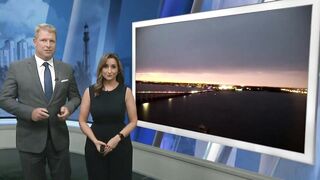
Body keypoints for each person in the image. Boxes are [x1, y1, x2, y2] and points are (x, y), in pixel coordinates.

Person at [0, 23, 81, 180]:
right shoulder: (17, 68)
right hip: (30, 140)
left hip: (59, 140)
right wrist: (30, 113)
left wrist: (69, 108)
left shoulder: (66, 69)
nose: (48, 45)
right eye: (44, 40)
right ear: (34, 42)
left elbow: (76, 97)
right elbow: (4, 99)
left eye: (52, 41)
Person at [78, 53, 137, 179]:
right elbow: (82, 121)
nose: (109, 71)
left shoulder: (126, 91)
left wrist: (117, 139)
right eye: (105, 66)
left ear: (118, 70)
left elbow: (133, 121)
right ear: (100, 69)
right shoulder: (90, 91)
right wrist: (94, 141)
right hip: (95, 146)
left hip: (120, 145)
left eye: (113, 67)